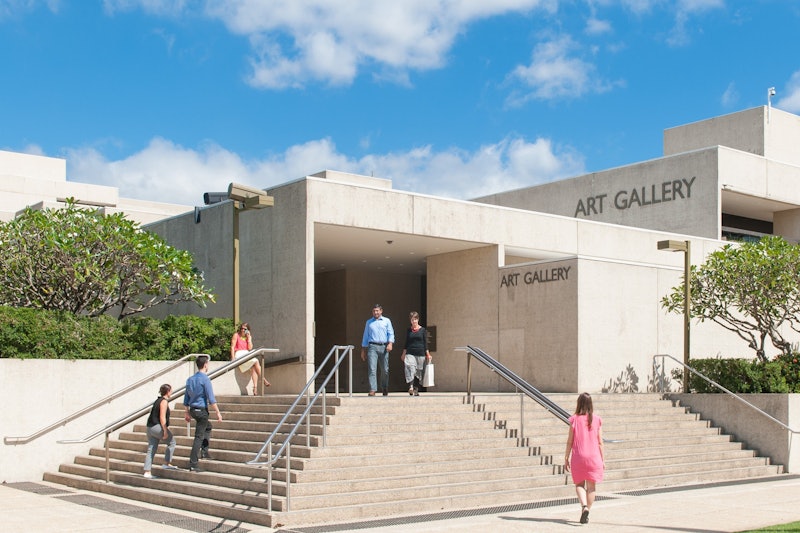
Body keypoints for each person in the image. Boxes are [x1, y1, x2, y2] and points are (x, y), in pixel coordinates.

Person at [564, 392, 605, 524]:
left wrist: (566, 457)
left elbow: (570, 441)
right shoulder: (597, 420)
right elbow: (600, 442)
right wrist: (603, 460)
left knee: (579, 484)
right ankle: (586, 512)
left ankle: (584, 507)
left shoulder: (574, 419)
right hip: (594, 457)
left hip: (579, 457)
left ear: (579, 403)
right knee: (591, 487)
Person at [184, 355, 222, 472]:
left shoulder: (190, 379)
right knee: (199, 436)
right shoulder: (205, 379)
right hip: (201, 410)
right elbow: (211, 398)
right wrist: (218, 412)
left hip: (193, 409)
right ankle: (193, 463)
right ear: (205, 365)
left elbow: (186, 398)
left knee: (208, 426)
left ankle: (205, 452)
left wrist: (187, 413)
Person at [143, 383, 177, 478]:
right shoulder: (164, 401)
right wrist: (165, 430)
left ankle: (147, 471)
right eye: (171, 390)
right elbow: (162, 417)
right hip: (157, 427)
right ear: (168, 391)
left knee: (151, 449)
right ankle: (167, 463)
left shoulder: (157, 400)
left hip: (150, 427)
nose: (172, 392)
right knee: (172, 442)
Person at [360, 303, 395, 396]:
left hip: (384, 346)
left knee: (385, 369)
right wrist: (363, 350)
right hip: (372, 347)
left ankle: (384, 387)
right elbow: (365, 336)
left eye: (377, 311)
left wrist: (390, 343)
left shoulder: (386, 321)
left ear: (381, 311)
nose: (376, 312)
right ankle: (373, 389)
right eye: (374, 311)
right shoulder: (369, 322)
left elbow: (391, 333)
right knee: (372, 368)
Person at [230, 322, 270, 395]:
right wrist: (232, 358)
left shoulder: (248, 337)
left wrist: (249, 339)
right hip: (239, 353)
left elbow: (250, 348)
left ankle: (255, 388)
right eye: (241, 328)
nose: (242, 330)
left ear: (248, 330)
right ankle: (263, 379)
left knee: (254, 366)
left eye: (245, 329)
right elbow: (232, 347)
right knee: (256, 361)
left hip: (246, 353)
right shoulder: (236, 335)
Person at [400, 311, 431, 396]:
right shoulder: (409, 330)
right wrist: (404, 353)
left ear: (418, 320)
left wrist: (428, 354)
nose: (414, 321)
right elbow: (406, 342)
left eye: (415, 319)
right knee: (410, 368)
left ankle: (416, 389)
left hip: (420, 353)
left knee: (418, 372)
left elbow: (425, 343)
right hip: (410, 353)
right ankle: (411, 386)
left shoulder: (423, 330)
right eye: (412, 320)